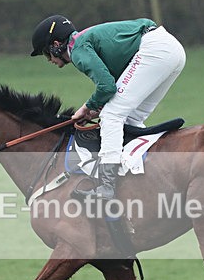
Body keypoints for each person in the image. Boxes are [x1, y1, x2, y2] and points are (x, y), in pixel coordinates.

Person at [30, 14, 186, 200]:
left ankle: (107, 186)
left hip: (156, 51)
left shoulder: (78, 50)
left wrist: (88, 107)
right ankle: (137, 176)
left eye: (46, 53)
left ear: (56, 45)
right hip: (171, 50)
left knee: (112, 115)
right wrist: (93, 108)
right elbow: (116, 88)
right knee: (130, 118)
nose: (49, 60)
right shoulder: (84, 40)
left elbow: (107, 87)